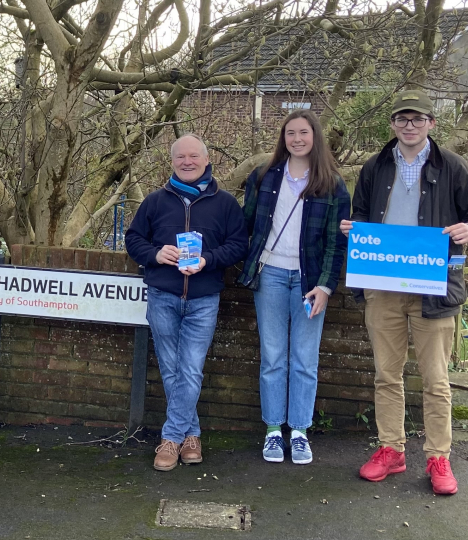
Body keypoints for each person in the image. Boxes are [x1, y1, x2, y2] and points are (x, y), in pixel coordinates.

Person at [341, 90, 468, 495]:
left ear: (431, 123)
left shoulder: (453, 166)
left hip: (434, 286)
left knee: (435, 379)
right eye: (402, 119)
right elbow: (360, 212)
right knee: (386, 375)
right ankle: (391, 449)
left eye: (417, 119)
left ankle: (438, 457)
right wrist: (353, 230)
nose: (409, 126)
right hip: (383, 286)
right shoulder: (375, 166)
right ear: (392, 124)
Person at [125, 134, 248, 471]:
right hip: (163, 296)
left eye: (194, 156)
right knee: (171, 370)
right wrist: (155, 253)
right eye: (180, 157)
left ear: (207, 160)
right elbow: (133, 239)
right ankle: (191, 435)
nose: (187, 162)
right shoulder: (154, 201)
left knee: (190, 369)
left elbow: (239, 245)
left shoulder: (225, 204)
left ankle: (171, 438)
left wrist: (208, 259)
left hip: (203, 298)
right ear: (172, 162)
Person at [238, 110, 350, 464]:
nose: (297, 139)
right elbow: (245, 225)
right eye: (290, 133)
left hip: (309, 283)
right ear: (283, 138)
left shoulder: (332, 184)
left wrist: (326, 287)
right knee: (272, 357)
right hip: (269, 274)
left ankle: (299, 431)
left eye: (303, 132)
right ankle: (273, 431)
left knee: (304, 360)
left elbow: (336, 243)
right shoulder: (263, 177)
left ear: (315, 136)